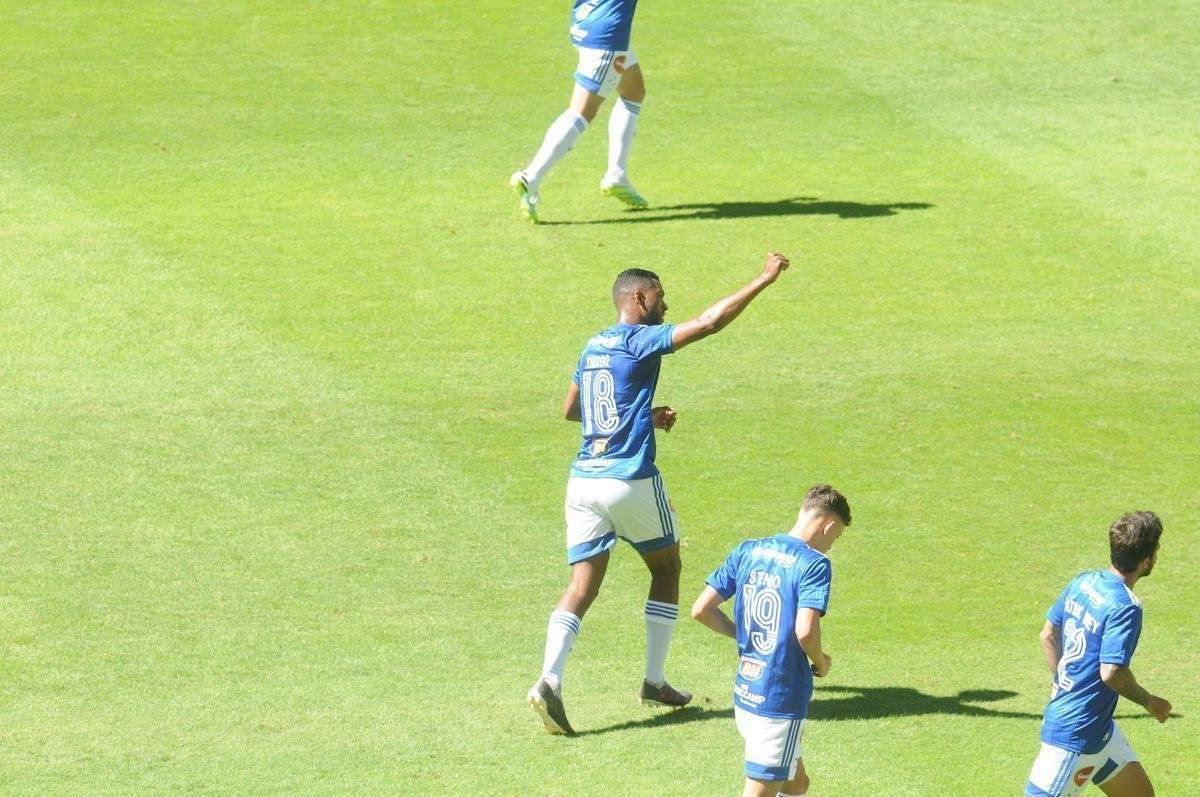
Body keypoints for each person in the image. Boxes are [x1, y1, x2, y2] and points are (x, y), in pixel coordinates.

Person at [527, 252, 792, 735]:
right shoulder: (638, 339)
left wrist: (640, 416)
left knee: (582, 585)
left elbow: (572, 410)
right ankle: (654, 680)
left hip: (583, 480)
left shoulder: (593, 346)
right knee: (666, 567)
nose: (666, 307)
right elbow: (709, 323)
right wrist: (763, 279)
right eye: (661, 298)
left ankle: (549, 679)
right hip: (628, 478)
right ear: (638, 297)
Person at [691, 485, 853, 797]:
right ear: (830, 525)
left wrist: (744, 634)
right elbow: (805, 631)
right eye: (837, 537)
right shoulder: (814, 564)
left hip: (746, 692)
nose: (832, 545)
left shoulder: (748, 550)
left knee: (796, 784)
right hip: (780, 698)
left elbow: (701, 610)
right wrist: (821, 662)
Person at [1025, 511, 1172, 797]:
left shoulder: (1083, 582)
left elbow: (1048, 635)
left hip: (1100, 731)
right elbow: (1111, 671)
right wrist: (1150, 701)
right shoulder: (1126, 606)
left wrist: (1064, 683)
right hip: (1074, 735)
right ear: (1146, 561)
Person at [509, 0, 649, 224]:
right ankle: (531, 176)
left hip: (585, 21)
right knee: (582, 112)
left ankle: (617, 175)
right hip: (607, 36)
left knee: (634, 92)